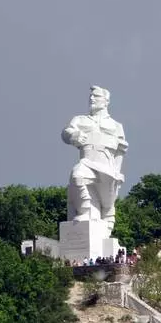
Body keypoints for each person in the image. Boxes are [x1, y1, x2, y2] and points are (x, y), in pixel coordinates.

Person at [62, 86, 128, 236]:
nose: (91, 99)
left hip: (107, 167)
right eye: (90, 96)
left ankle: (106, 225)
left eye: (96, 96)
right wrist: (75, 136)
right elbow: (66, 132)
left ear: (106, 101)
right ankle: (85, 210)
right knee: (78, 174)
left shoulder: (116, 126)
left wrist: (118, 173)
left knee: (108, 204)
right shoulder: (80, 120)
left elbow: (120, 152)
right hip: (88, 161)